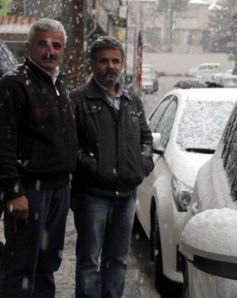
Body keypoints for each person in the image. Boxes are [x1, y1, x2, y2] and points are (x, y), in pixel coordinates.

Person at [70, 36, 153, 298]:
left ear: (122, 64)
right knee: (89, 262)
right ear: (92, 64)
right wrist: (95, 169)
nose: (111, 66)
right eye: (104, 60)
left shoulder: (132, 101)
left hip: (126, 196)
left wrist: (142, 165)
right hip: (92, 196)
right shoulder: (78, 100)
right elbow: (70, 147)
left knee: (118, 260)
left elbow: (146, 139)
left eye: (115, 61)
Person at [0, 18, 78, 297]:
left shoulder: (60, 85)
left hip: (59, 190)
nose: (50, 51)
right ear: (28, 47)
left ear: (63, 50)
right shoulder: (14, 84)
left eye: (56, 46)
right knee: (20, 266)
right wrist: (13, 191)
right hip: (30, 192)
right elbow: (4, 142)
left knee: (47, 265)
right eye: (43, 44)